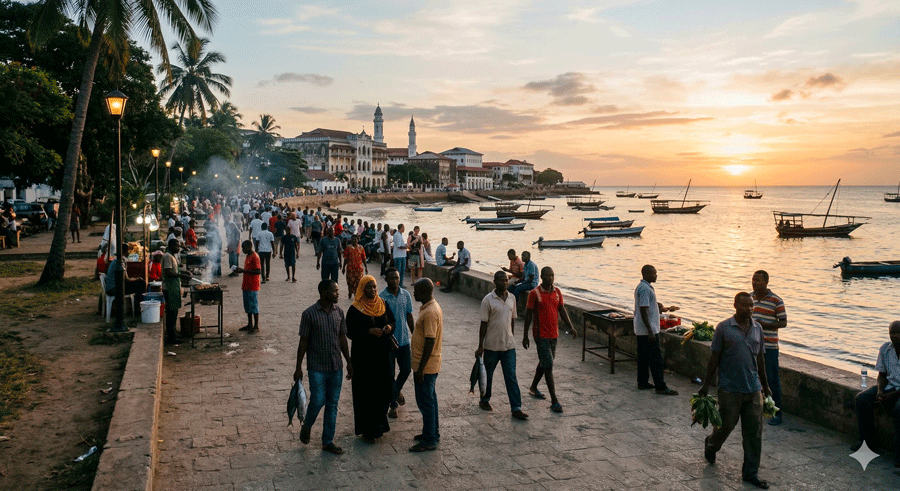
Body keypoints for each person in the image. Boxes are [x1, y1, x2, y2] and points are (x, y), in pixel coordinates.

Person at [698, 292, 771, 490]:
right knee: (725, 426)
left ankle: (751, 473)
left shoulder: (757, 328)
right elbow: (714, 357)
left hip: (753, 388)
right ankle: (711, 444)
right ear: (735, 305)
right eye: (745, 305)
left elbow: (760, 359)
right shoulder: (724, 328)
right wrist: (706, 384)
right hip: (729, 388)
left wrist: (765, 386)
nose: (749, 309)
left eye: (751, 306)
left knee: (754, 433)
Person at [294, 279, 353, 455]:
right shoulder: (309, 314)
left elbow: (342, 338)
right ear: (323, 292)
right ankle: (307, 424)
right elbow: (303, 341)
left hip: (336, 366)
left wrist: (349, 362)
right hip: (317, 366)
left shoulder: (339, 312)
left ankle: (328, 440)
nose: (338, 294)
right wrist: (298, 367)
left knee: (332, 404)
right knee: (318, 399)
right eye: (334, 291)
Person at [346, 276, 395, 443]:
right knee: (366, 393)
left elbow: (392, 320)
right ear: (362, 289)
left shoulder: (382, 304)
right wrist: (368, 331)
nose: (373, 290)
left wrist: (389, 327)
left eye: (374, 287)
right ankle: (367, 430)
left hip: (382, 356)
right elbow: (350, 331)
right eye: (368, 287)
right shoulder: (355, 309)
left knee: (383, 389)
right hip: (364, 358)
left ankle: (379, 425)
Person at [476, 271, 528, 420]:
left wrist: (511, 336)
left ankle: (516, 408)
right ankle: (485, 399)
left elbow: (512, 320)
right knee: (488, 375)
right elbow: (483, 325)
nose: (505, 283)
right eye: (501, 280)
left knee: (511, 376)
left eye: (506, 280)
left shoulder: (512, 298)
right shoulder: (488, 300)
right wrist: (480, 346)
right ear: (495, 282)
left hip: (508, 346)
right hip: (491, 346)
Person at [523, 267, 576, 413]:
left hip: (554, 335)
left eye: (552, 275)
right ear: (541, 277)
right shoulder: (534, 294)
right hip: (540, 335)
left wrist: (570, 326)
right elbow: (528, 315)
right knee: (548, 365)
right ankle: (554, 400)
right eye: (547, 276)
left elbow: (562, 310)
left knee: (545, 362)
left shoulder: (557, 292)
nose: (550, 278)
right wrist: (525, 335)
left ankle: (533, 387)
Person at [853, 321, 900, 466]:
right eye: (892, 333)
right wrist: (880, 392)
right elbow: (882, 375)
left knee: (898, 410)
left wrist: (892, 396)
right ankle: (868, 443)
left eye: (898, 333)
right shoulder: (885, 349)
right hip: (889, 386)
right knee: (861, 399)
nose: (894, 336)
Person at [633, 265, 678, 395]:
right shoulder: (645, 289)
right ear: (647, 274)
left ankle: (642, 382)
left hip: (642, 330)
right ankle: (660, 386)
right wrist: (650, 331)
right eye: (654, 273)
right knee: (656, 359)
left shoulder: (643, 287)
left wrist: (658, 306)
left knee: (643, 358)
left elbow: (646, 306)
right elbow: (643, 310)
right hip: (648, 330)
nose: (656, 275)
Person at [410, 278, 443, 452]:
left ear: (424, 292)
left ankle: (430, 439)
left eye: (416, 291)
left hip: (426, 366)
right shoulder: (429, 307)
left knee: (426, 402)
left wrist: (420, 369)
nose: (414, 293)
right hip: (428, 365)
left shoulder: (430, 312)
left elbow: (429, 341)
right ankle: (431, 432)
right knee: (430, 400)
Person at [751, 270, 787, 425]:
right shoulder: (750, 298)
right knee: (753, 377)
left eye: (758, 280)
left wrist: (765, 325)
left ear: (766, 282)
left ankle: (776, 413)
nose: (754, 283)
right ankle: (757, 408)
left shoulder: (776, 301)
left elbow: (783, 322)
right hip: (752, 345)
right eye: (753, 280)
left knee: (772, 379)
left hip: (769, 346)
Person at [380, 267, 415, 419]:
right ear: (386, 279)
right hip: (388, 342)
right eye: (392, 278)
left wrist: (414, 334)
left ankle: (396, 389)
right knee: (389, 374)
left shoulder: (405, 295)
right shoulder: (381, 297)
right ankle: (393, 405)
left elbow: (409, 316)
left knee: (406, 369)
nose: (395, 281)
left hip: (404, 340)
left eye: (397, 278)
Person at [162, 239, 191, 344]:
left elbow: (175, 270)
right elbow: (168, 272)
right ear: (171, 246)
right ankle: (171, 337)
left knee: (174, 311)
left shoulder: (172, 256)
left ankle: (173, 332)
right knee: (171, 313)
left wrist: (184, 272)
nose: (179, 248)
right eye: (177, 246)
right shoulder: (167, 256)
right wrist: (181, 275)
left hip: (174, 287)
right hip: (169, 288)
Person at [233, 240, 261, 333]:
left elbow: (258, 271)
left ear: (249, 247)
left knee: (254, 306)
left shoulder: (255, 257)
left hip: (253, 285)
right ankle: (250, 324)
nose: (242, 250)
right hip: (246, 284)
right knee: (248, 306)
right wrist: (241, 270)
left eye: (243, 248)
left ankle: (256, 326)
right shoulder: (248, 256)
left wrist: (243, 271)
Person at [342, 234, 367, 299]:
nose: (354, 241)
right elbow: (345, 258)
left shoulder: (361, 248)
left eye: (355, 239)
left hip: (359, 269)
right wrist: (343, 267)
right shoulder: (348, 248)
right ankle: (350, 292)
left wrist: (366, 267)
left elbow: (363, 258)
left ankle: (356, 294)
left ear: (358, 240)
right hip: (350, 269)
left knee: (358, 282)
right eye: (352, 239)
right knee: (350, 282)